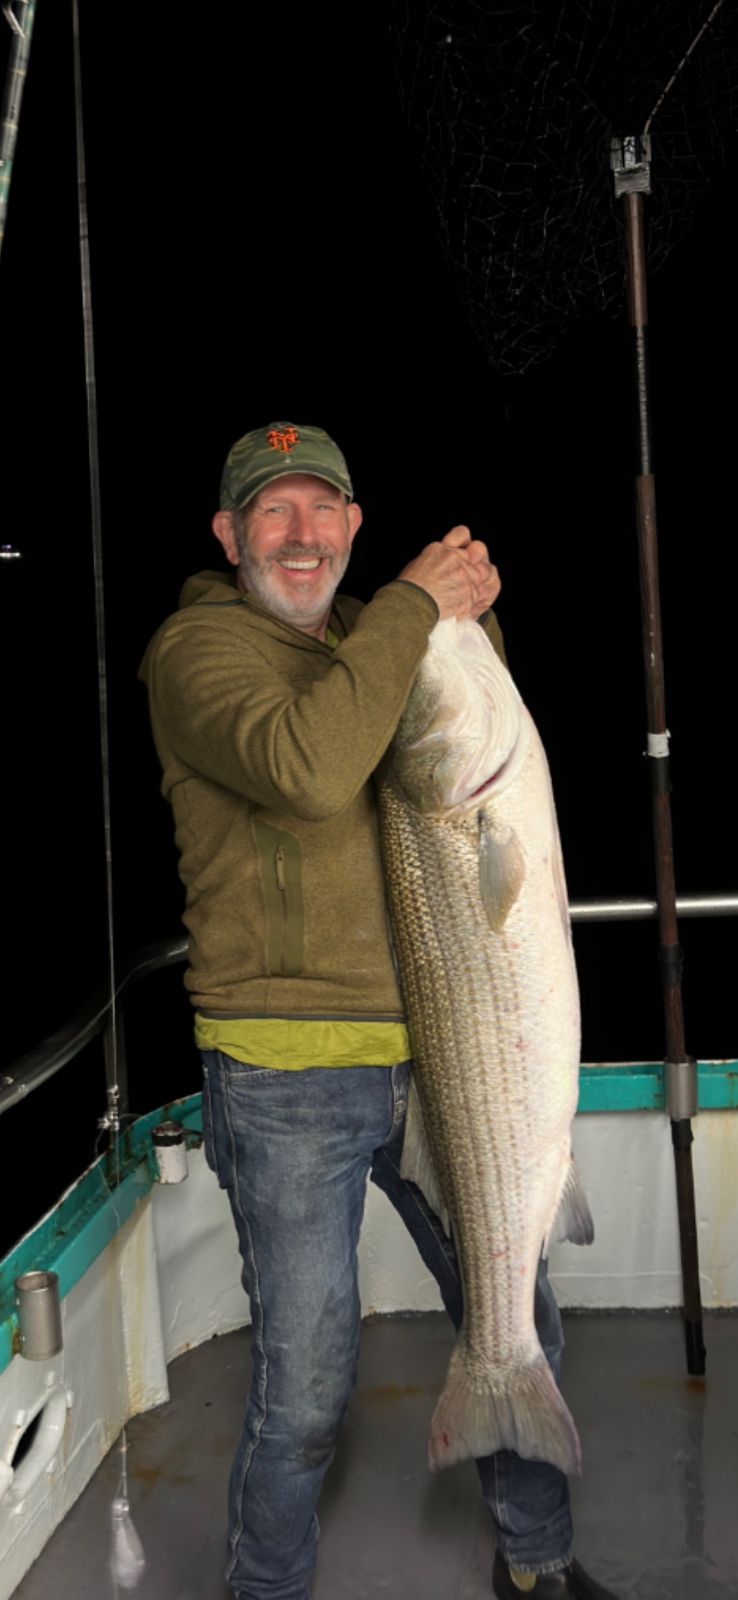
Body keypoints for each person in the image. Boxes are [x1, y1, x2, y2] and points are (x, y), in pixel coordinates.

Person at [140, 421, 620, 1600]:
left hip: (441, 1056)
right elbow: (313, 764)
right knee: (304, 1388)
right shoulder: (198, 652)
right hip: (284, 1075)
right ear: (228, 532)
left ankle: (541, 1560)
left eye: (323, 510)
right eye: (273, 512)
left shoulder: (373, 634)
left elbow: (457, 719)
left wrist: (467, 611)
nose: (301, 535)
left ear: (353, 525)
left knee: (518, 1320)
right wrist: (414, 602)